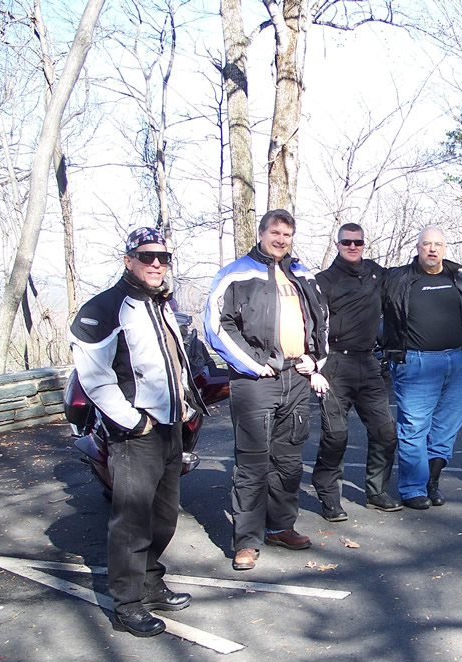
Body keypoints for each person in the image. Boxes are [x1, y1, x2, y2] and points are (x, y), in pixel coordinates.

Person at [70, 227, 206, 638]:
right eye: (147, 256)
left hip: (170, 428)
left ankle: (150, 579)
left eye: (163, 258)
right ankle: (127, 604)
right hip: (135, 434)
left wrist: (183, 405)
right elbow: (94, 379)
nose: (156, 264)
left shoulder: (160, 304)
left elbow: (171, 363)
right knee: (131, 520)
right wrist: (133, 421)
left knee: (164, 516)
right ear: (128, 259)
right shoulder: (105, 309)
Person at [204, 209, 329, 570]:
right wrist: (252, 363)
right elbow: (216, 323)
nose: (281, 240)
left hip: (296, 378)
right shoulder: (237, 274)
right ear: (261, 233)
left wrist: (315, 360)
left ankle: (280, 527)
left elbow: (322, 319)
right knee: (253, 463)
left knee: (289, 463)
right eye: (275, 233)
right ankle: (246, 541)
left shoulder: (301, 273)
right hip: (256, 380)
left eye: (287, 235)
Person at [381, 227, 462, 509]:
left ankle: (431, 482)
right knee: (414, 427)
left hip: (460, 363)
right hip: (416, 364)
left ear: (445, 248)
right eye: (427, 244)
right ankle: (412, 488)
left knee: (446, 428)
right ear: (417, 247)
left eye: (438, 244)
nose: (432, 249)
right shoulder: (397, 279)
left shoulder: (459, 279)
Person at [311, 223, 401, 520]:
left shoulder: (377, 274)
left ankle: (376, 492)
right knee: (336, 435)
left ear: (364, 244)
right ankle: (329, 497)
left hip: (368, 363)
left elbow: (407, 282)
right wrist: (315, 364)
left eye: (358, 242)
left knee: (386, 431)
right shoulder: (323, 281)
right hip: (335, 364)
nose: (352, 247)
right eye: (346, 242)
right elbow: (310, 324)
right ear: (337, 244)